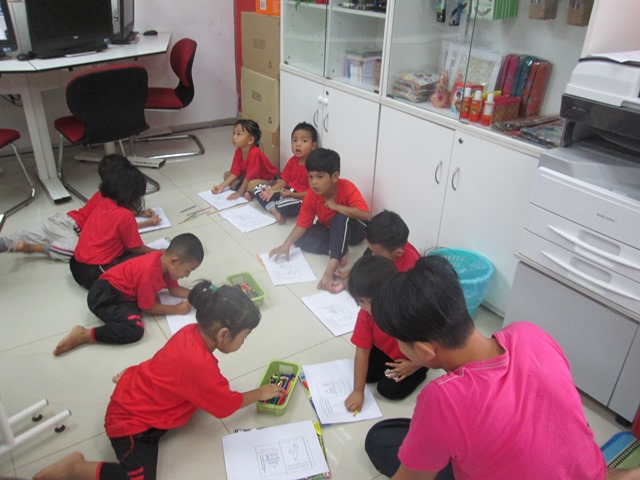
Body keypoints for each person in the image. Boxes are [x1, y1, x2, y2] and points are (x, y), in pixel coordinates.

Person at [365, 255, 640, 480]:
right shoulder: (529, 334)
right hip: (590, 472)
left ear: (425, 351)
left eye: (400, 342)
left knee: (381, 439)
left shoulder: (443, 399)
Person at [34, 282, 286, 480]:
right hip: (130, 423)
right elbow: (224, 405)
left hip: (139, 394)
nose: (244, 342)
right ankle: (76, 469)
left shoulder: (189, 332)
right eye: (245, 336)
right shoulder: (201, 366)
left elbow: (166, 365)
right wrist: (259, 393)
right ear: (223, 334)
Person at [54, 233, 204, 356]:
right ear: (174, 261)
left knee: (146, 304)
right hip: (105, 295)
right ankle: (85, 334)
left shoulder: (166, 264)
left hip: (123, 294)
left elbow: (175, 290)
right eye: (188, 270)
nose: (187, 275)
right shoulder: (149, 273)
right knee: (135, 329)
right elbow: (148, 307)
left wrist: (197, 295)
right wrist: (176, 309)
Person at [0, 154, 160, 261]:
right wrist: (148, 223)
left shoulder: (105, 196)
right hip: (71, 226)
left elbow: (117, 219)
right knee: (77, 253)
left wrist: (140, 213)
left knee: (25, 235)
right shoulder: (108, 202)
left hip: (61, 219)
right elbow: (118, 230)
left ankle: (5, 243)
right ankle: (35, 248)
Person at [269, 148, 370, 291]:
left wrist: (336, 207)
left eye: (319, 177)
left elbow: (364, 214)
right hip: (331, 230)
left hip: (355, 231)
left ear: (335, 176)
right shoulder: (311, 196)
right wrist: (286, 244)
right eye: (310, 177)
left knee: (340, 218)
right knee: (300, 239)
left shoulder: (346, 187)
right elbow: (302, 225)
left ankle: (333, 262)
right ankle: (339, 249)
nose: (314, 182)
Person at [344, 255, 427, 414]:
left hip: (412, 358)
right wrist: (358, 391)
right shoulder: (366, 314)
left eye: (372, 301)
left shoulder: (409, 311)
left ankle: (421, 371)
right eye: (361, 301)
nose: (368, 308)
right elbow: (362, 351)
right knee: (366, 375)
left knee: (387, 390)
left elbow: (434, 346)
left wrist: (415, 365)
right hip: (384, 351)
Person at [69, 164, 157, 290]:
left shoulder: (103, 202)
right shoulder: (125, 215)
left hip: (75, 265)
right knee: (149, 263)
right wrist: (157, 251)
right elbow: (135, 247)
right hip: (95, 271)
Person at [331, 209, 421, 293]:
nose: (372, 255)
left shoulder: (411, 270)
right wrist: (348, 280)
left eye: (376, 253)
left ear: (398, 253)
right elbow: (368, 266)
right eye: (371, 250)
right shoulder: (383, 250)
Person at [253, 121, 318, 224]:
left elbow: (312, 193)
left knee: (284, 205)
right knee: (258, 188)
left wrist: (293, 195)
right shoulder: (293, 160)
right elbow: (284, 181)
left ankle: (274, 206)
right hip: (285, 191)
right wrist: (271, 191)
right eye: (294, 140)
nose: (298, 144)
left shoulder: (314, 166)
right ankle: (275, 211)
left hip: (299, 198)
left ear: (313, 146)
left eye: (304, 141)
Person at [211, 119, 278, 201]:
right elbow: (235, 172)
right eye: (234, 133)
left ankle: (249, 192)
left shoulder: (255, 153)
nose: (234, 137)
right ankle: (247, 191)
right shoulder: (238, 151)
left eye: (239, 134)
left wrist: (238, 193)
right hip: (248, 177)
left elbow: (249, 177)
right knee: (226, 175)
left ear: (250, 140)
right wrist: (221, 186)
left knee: (252, 184)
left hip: (267, 180)